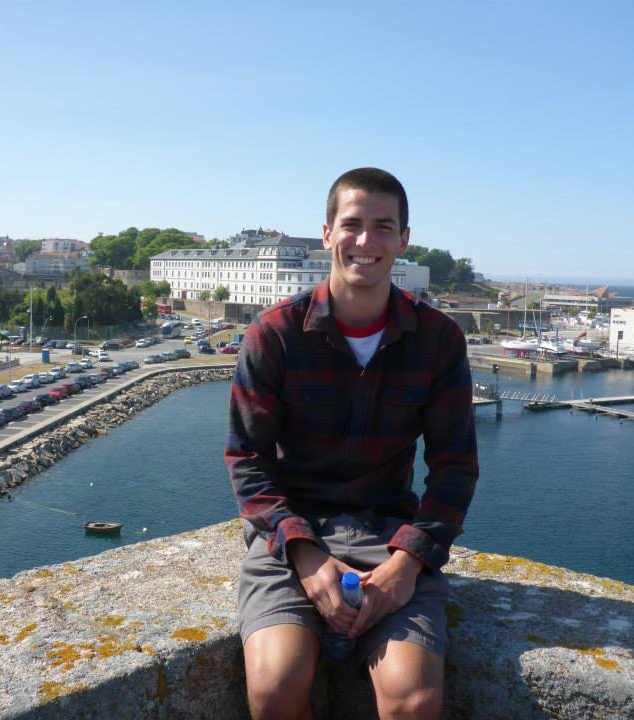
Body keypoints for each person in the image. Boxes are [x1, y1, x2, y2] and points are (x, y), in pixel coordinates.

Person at [226, 168, 478, 720]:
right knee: (274, 690)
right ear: (326, 233)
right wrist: (305, 554)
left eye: (383, 227)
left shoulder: (438, 339)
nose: (366, 242)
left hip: (389, 534)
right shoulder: (275, 334)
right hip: (291, 537)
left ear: (404, 239)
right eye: (352, 225)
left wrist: (408, 562)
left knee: (412, 699)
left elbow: (455, 468)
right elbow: (248, 460)